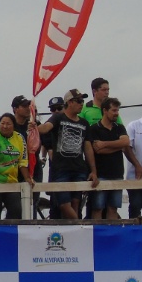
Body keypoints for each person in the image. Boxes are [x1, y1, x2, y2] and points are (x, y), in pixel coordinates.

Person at [34, 89, 97, 219]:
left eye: (82, 101)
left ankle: (74, 229)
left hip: (79, 168)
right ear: (69, 102)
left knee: (76, 202)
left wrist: (93, 170)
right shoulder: (58, 117)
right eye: (79, 101)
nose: (81, 104)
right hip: (61, 169)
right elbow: (46, 127)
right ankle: (79, 225)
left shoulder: (84, 123)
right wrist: (34, 128)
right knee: (63, 203)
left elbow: (88, 147)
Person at [85, 97, 129, 219]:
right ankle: (97, 236)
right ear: (105, 110)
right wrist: (117, 146)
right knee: (98, 207)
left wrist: (105, 144)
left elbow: (125, 142)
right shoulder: (94, 128)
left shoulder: (119, 127)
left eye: (117, 110)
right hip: (101, 174)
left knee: (113, 207)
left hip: (117, 174)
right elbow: (97, 150)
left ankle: (112, 235)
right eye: (114, 110)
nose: (116, 113)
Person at [0, 113, 32, 219]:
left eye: (8, 124)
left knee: (16, 211)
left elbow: (23, 160)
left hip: (11, 182)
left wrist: (28, 178)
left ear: (13, 125)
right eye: (2, 123)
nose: (5, 126)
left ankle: (9, 233)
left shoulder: (19, 138)